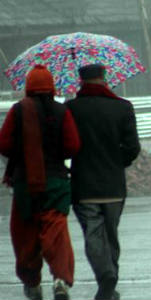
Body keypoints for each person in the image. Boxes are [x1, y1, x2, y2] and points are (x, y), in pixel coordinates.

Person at [0, 65, 80, 300]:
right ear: (51, 87)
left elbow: (3, 144)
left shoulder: (18, 111)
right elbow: (73, 146)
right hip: (56, 181)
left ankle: (32, 282)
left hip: (25, 184)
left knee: (25, 233)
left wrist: (23, 152)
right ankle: (60, 279)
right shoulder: (61, 111)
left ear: (28, 87)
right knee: (56, 231)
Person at [67, 64, 140, 300]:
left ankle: (105, 275)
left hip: (84, 186)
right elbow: (132, 147)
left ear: (81, 81)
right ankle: (110, 280)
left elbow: (66, 146)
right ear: (104, 78)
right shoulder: (122, 107)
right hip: (114, 186)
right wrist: (116, 163)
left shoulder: (71, 109)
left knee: (93, 235)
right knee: (111, 234)